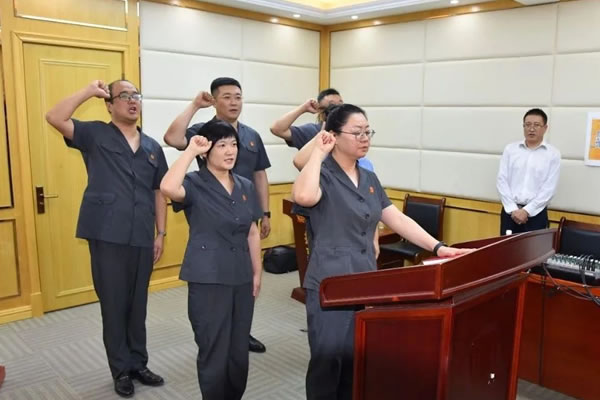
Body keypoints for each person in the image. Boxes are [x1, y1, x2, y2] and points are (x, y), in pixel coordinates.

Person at [291, 104, 471, 400]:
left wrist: (438, 247)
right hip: (330, 284)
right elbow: (303, 196)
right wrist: (319, 154)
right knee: (327, 363)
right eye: (357, 132)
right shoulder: (321, 173)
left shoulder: (369, 178)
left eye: (368, 132)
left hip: (365, 281)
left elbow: (396, 218)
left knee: (356, 361)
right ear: (333, 135)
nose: (365, 138)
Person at [45, 79, 167, 398]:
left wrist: (161, 233)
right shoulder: (95, 134)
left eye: (136, 95)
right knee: (114, 304)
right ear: (109, 105)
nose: (132, 100)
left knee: (137, 304)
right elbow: (54, 117)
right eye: (124, 96)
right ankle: (121, 370)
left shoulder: (152, 147)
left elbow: (159, 192)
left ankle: (139, 363)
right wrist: (87, 91)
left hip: (142, 234)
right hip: (107, 233)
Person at [163, 77, 269, 353]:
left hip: (242, 214)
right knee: (213, 336)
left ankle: (239, 336)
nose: (230, 151)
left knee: (238, 329)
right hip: (209, 217)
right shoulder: (202, 138)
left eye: (238, 96)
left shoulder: (250, 141)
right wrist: (192, 143)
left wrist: (265, 212)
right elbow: (172, 143)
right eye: (227, 97)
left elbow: (259, 176)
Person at [160, 120, 262, 400]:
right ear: (206, 151)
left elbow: (252, 232)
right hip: (208, 277)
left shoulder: (244, 185)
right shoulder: (194, 183)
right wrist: (190, 151)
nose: (230, 151)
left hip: (241, 274)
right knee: (214, 347)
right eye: (222, 145)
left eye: (234, 144)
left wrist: (257, 272)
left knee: (238, 348)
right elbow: (167, 187)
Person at [270, 89, 374, 171]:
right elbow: (277, 129)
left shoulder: (364, 165)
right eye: (332, 105)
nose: (337, 109)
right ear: (321, 112)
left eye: (341, 104)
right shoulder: (312, 130)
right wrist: (303, 108)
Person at [496, 108, 561, 235]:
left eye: (536, 125)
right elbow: (501, 180)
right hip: (510, 212)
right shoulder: (510, 150)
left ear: (545, 128)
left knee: (534, 248)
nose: (531, 129)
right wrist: (513, 209)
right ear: (523, 126)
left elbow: (549, 188)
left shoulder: (553, 154)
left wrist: (527, 211)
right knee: (506, 247)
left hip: (536, 214)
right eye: (528, 125)